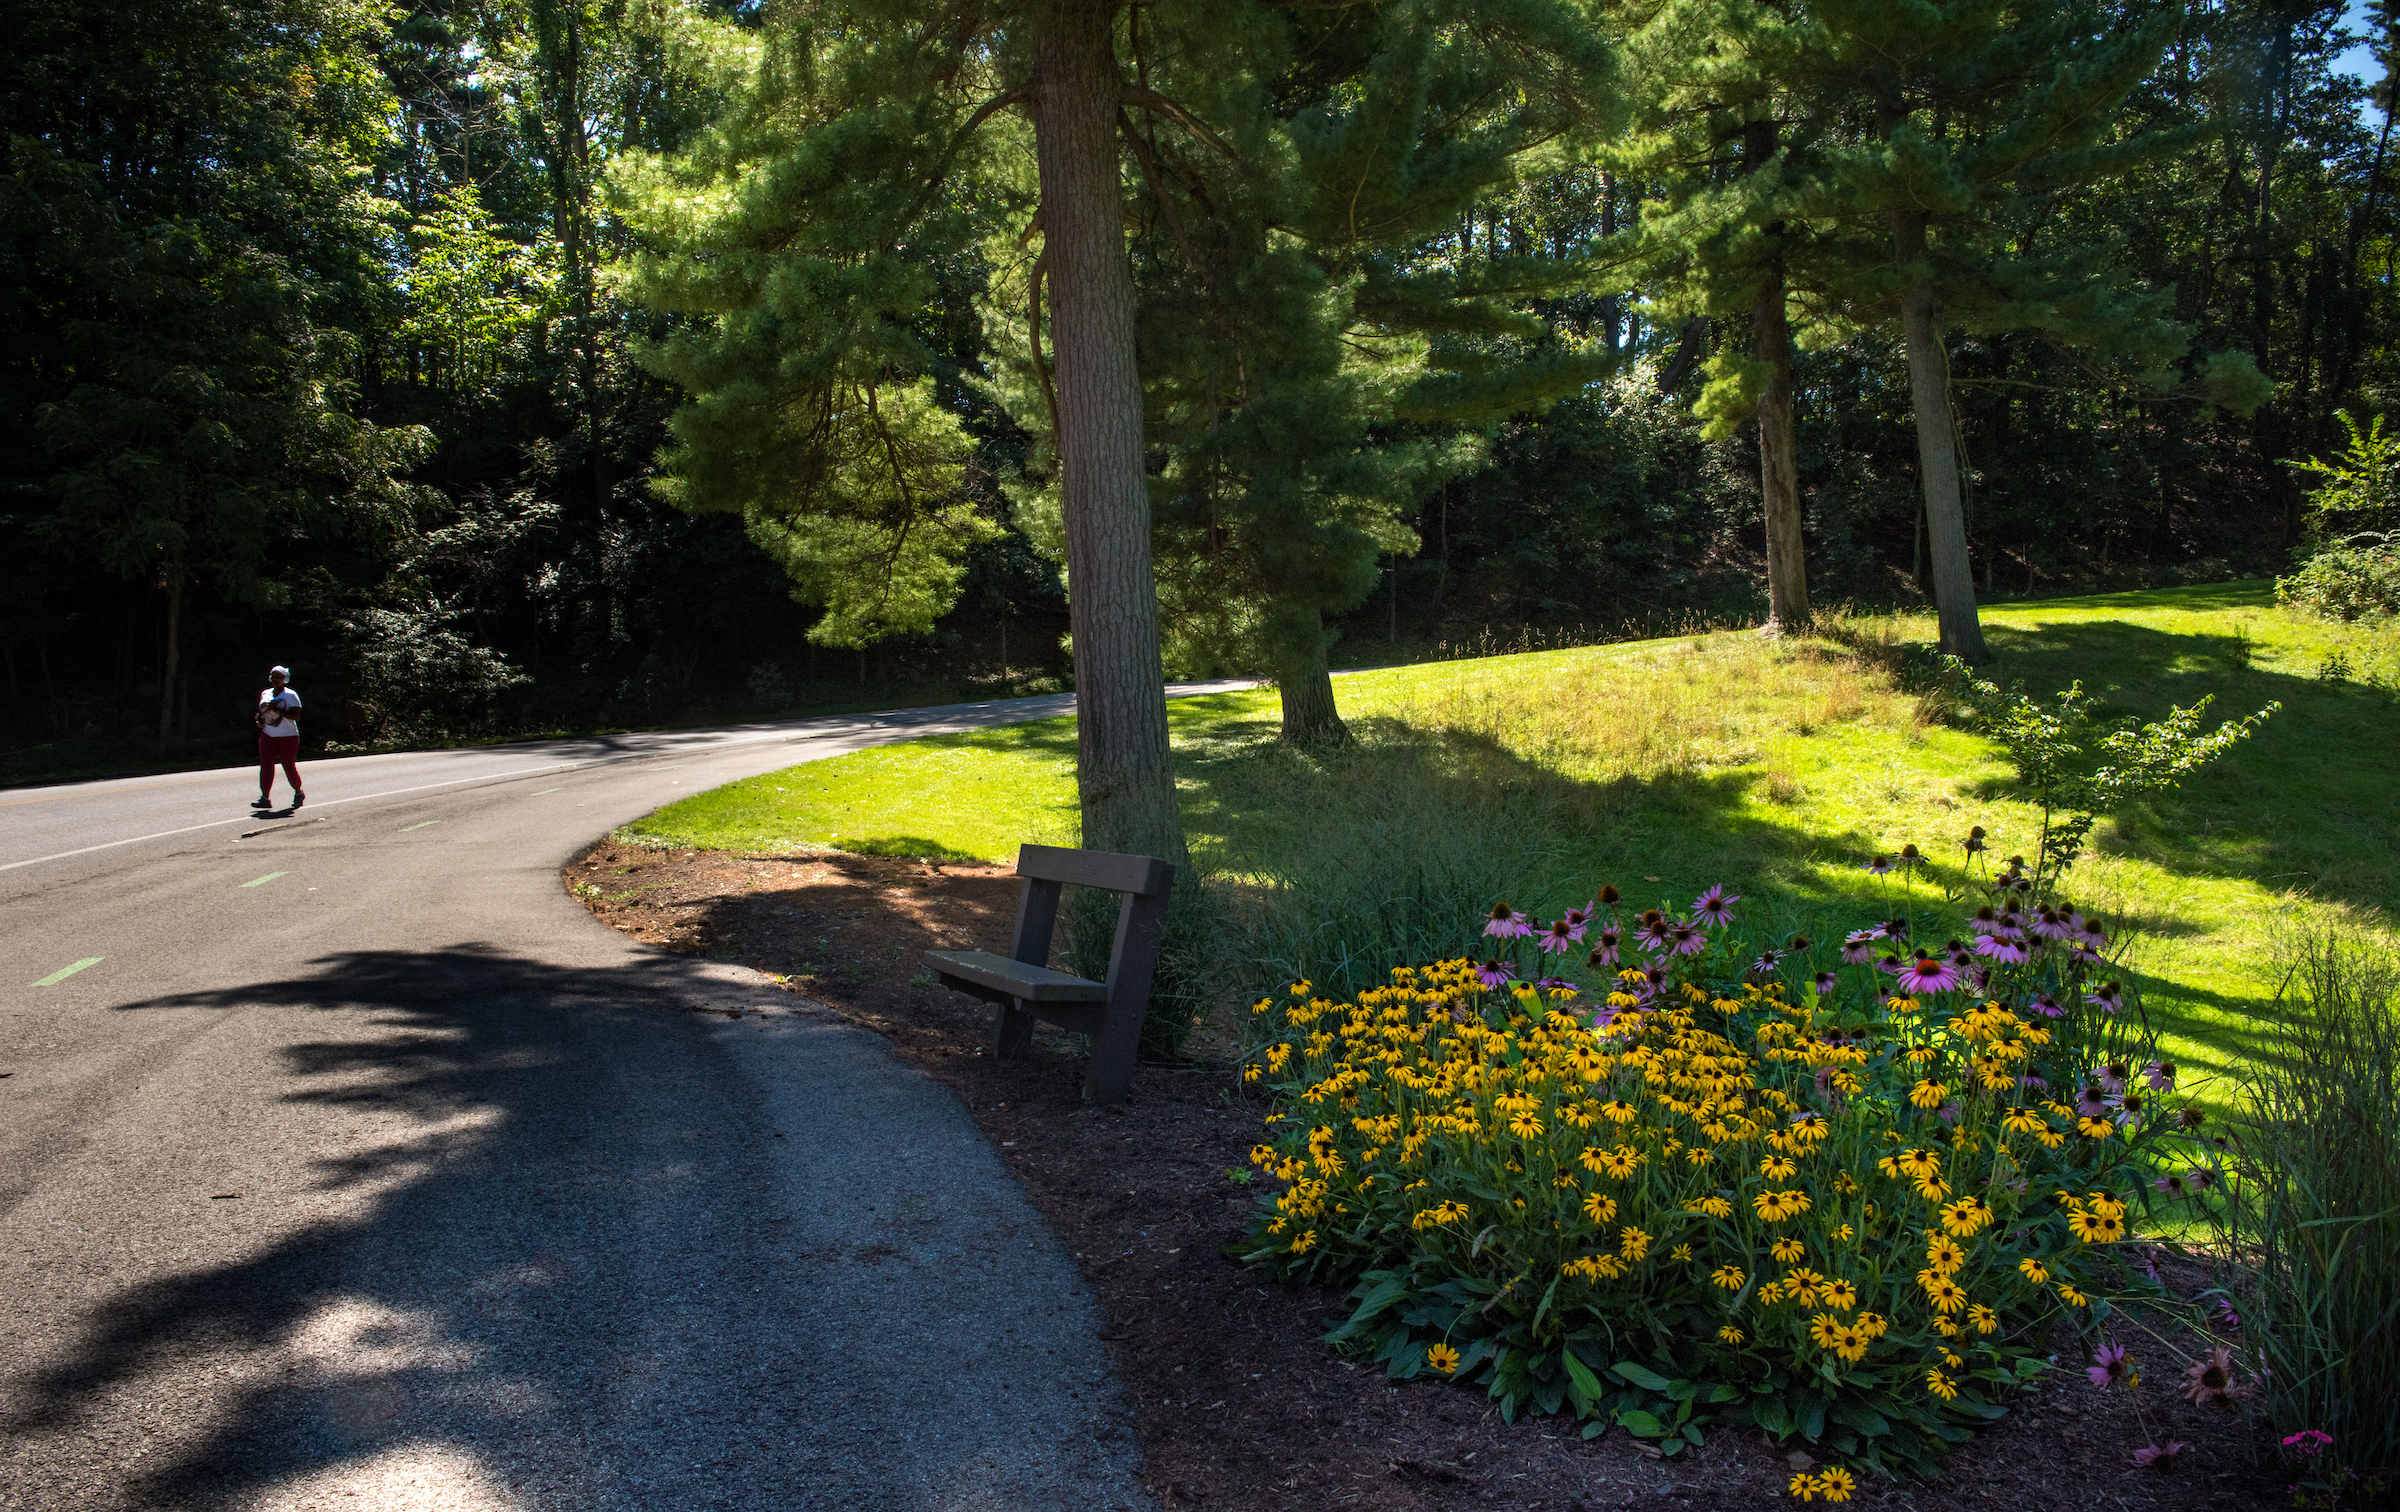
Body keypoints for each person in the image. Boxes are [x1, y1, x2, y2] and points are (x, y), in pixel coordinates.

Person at [254, 665, 305, 810]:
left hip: (288, 737)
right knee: (266, 765)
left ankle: (298, 792)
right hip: (268, 735)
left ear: (284, 679)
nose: (275, 679)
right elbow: (261, 712)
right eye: (273, 676)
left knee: (288, 765)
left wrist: (277, 710)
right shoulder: (265, 693)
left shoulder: (291, 695)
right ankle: (265, 798)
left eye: (278, 677)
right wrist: (259, 720)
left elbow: (296, 716)